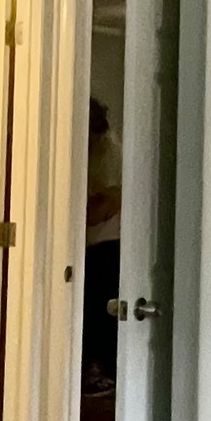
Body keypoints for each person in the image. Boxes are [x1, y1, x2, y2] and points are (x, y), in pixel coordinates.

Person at [83, 99, 120, 393]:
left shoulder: (109, 155)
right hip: (93, 245)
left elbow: (104, 207)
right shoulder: (95, 152)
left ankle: (101, 373)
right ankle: (93, 373)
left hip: (106, 245)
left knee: (99, 313)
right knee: (91, 312)